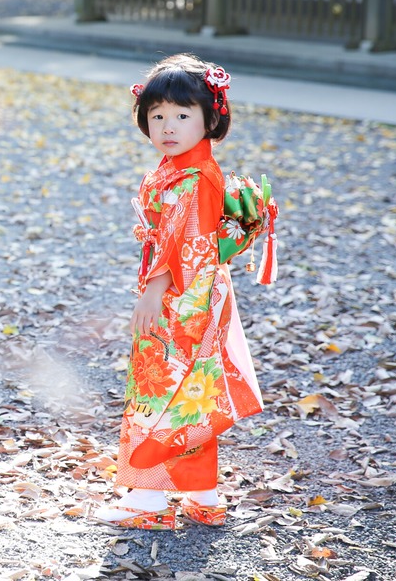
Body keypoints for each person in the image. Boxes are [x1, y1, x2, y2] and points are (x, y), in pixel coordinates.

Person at [92, 54, 265, 530]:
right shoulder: (181, 168)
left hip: (182, 297)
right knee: (191, 393)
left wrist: (153, 291)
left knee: (163, 388)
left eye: (182, 115)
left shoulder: (193, 176)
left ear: (211, 118)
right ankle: (202, 494)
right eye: (157, 116)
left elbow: (186, 242)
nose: (168, 126)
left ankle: (146, 499)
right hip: (197, 292)